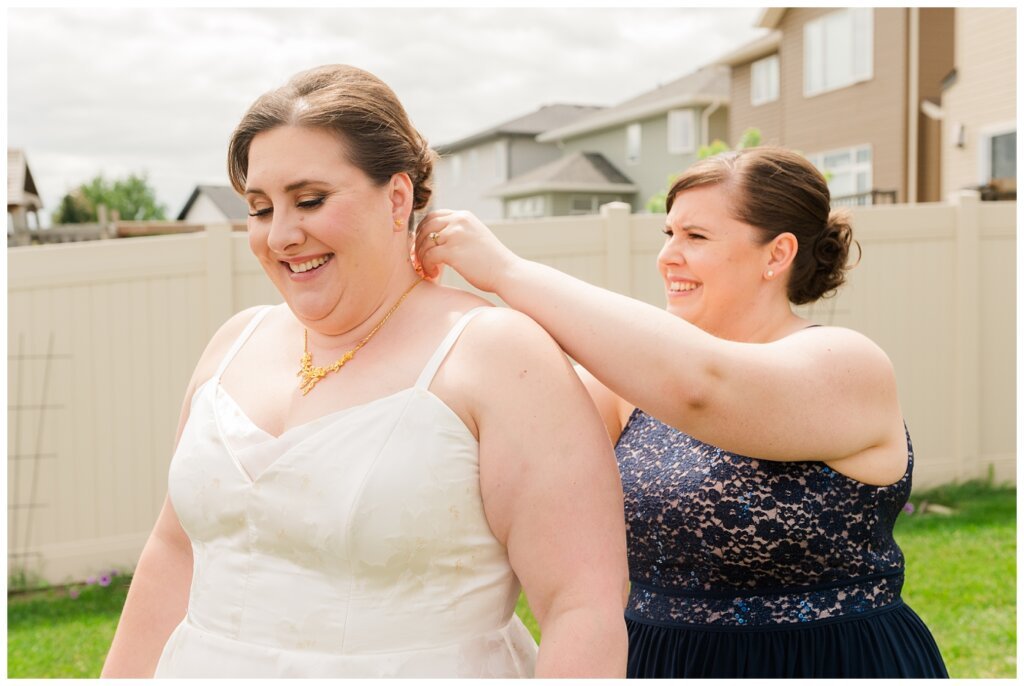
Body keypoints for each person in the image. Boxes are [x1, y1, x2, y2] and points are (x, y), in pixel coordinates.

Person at [100, 64, 629, 678]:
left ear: (397, 197)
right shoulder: (232, 343)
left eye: (310, 200)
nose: (282, 235)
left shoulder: (497, 356)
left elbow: (581, 606)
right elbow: (176, 550)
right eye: (261, 208)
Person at [414, 147, 949, 679]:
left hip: (826, 662)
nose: (669, 255)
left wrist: (506, 272)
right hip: (658, 662)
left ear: (777, 253)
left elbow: (704, 386)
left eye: (696, 237)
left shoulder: (847, 365)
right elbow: (501, 432)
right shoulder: (626, 385)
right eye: (668, 234)